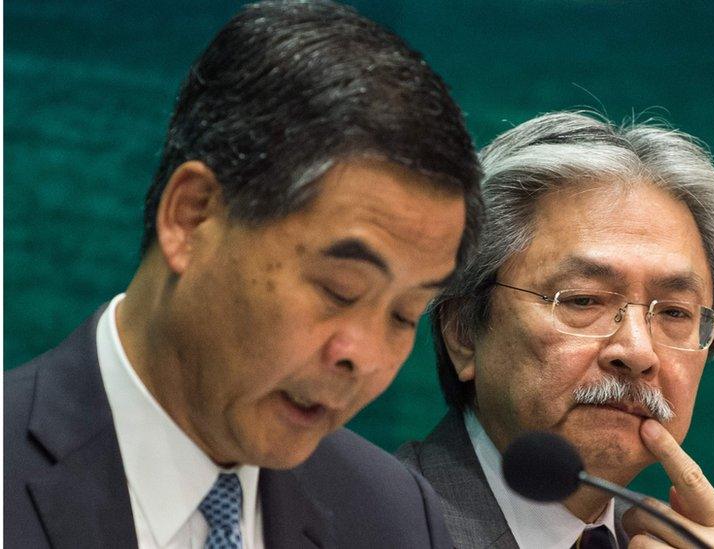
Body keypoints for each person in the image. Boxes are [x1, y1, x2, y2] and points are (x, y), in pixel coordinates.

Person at [4, 1, 482, 547]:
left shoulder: (395, 516)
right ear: (192, 216)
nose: (364, 358)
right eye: (339, 290)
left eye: (404, 315)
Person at [397, 111, 714, 548]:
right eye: (584, 300)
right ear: (463, 333)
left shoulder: (660, 538)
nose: (639, 352)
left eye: (675, 313)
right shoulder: (365, 526)